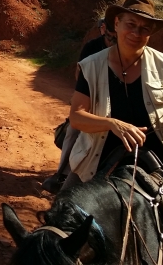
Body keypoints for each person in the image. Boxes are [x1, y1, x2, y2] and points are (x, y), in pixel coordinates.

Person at [66, 0, 163, 265]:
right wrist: (112, 124)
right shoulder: (92, 65)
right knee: (61, 212)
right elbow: (77, 117)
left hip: (162, 150)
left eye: (144, 29)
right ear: (116, 24)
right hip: (102, 151)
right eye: (131, 24)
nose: (136, 33)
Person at [40, 18, 116, 194]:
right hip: (91, 97)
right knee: (74, 132)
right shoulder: (92, 47)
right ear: (103, 29)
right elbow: (79, 74)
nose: (113, 38)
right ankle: (62, 174)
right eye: (110, 33)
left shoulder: (122, 50)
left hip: (113, 101)